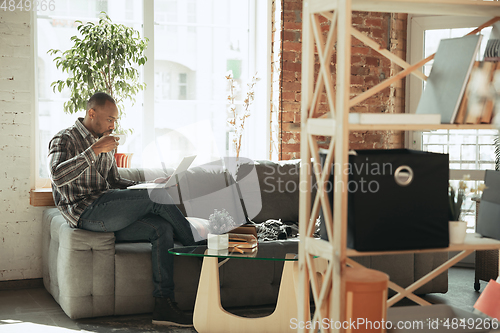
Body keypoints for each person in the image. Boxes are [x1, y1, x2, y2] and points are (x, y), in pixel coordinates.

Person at [48, 92, 196, 327]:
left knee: (161, 228)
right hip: (85, 213)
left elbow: (114, 181)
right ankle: (199, 246)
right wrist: (94, 150)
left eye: (115, 120)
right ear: (92, 113)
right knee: (157, 199)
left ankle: (163, 305)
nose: (113, 125)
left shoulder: (106, 140)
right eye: (109, 119)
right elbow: (57, 176)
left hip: (108, 208)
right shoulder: (64, 138)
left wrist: (145, 186)